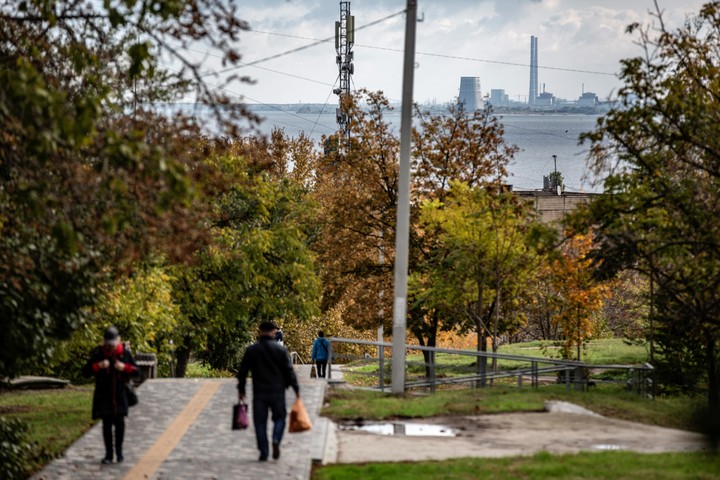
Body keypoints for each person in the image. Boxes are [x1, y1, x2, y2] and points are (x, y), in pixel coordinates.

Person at [237, 320, 299, 461]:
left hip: (259, 392)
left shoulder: (252, 350)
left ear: (260, 331)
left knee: (260, 422)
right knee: (280, 418)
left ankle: (264, 452)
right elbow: (289, 371)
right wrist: (296, 388)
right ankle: (276, 439)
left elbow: (243, 372)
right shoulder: (281, 350)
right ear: (272, 332)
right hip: (277, 391)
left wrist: (241, 389)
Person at [82, 326, 138, 464]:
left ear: (118, 341)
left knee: (120, 425)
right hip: (104, 396)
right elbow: (85, 371)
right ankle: (108, 454)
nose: (111, 347)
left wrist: (124, 368)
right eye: (108, 344)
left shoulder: (124, 354)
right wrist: (98, 366)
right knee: (106, 426)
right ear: (104, 342)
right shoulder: (99, 354)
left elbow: (137, 372)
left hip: (120, 395)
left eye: (113, 344)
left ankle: (119, 453)